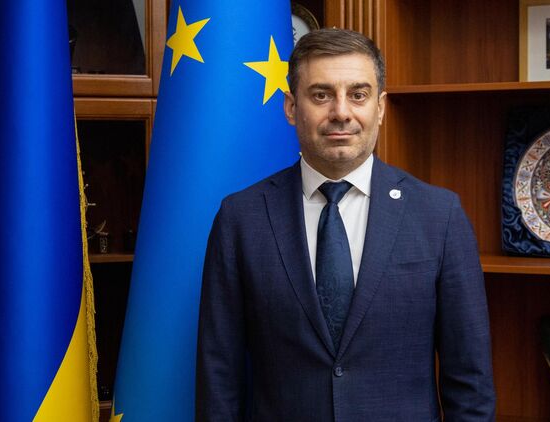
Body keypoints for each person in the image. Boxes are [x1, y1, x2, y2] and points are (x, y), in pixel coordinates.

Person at [196, 28, 495, 421]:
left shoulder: (439, 215)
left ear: (380, 107)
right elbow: (218, 375)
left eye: (358, 94)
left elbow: (470, 382)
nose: (341, 112)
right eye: (321, 95)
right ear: (291, 107)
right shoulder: (241, 218)